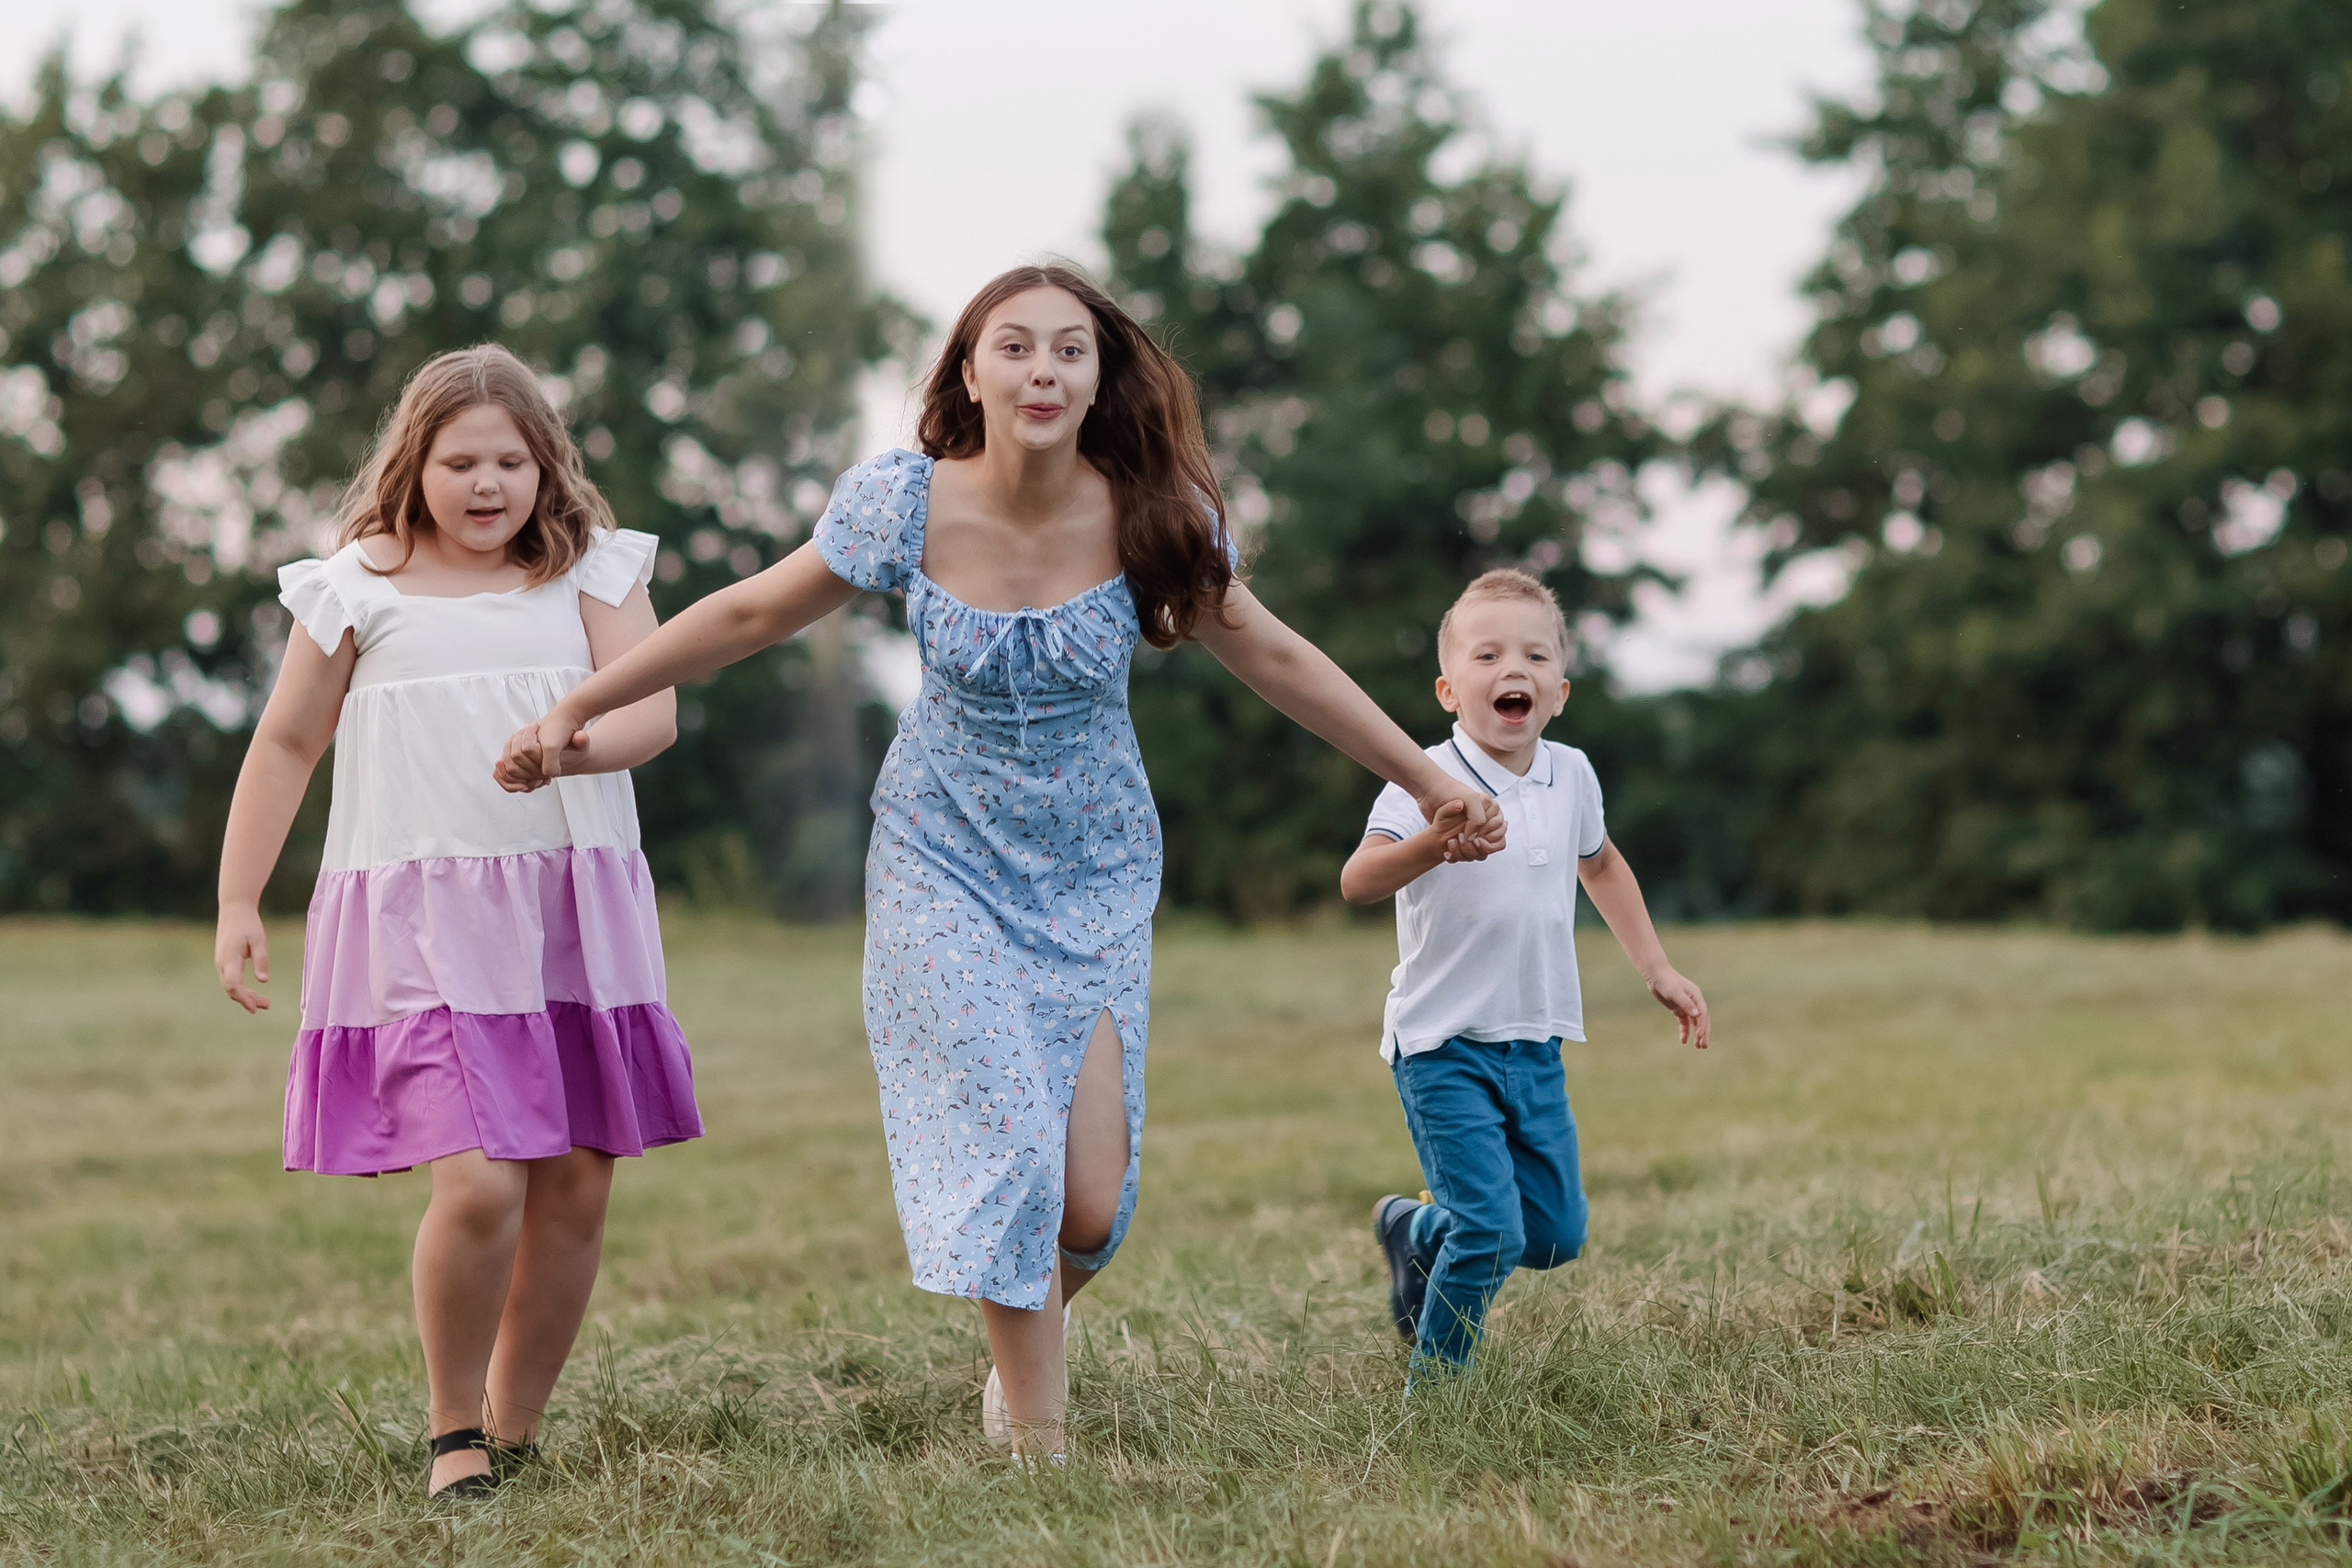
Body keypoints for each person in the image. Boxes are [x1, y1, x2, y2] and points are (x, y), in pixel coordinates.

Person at [494, 263, 1506, 1460]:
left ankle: (1014, 1340)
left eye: (1068, 350)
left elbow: (1278, 658)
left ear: (1098, 379)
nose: (1042, 369)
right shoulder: (904, 504)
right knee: (1008, 1146)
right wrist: (578, 705)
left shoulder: (1153, 513)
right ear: (969, 372)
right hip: (940, 854)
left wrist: (1435, 779)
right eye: (1014, 346)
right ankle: (1040, 1440)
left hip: (1090, 868)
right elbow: (747, 615)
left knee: (1088, 1205)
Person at [213, 345, 701, 1500]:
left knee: (578, 1181)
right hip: (425, 920)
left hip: (567, 913)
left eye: (511, 462)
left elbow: (656, 714)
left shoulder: (592, 570)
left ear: (547, 469)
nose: (488, 486)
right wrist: (240, 897)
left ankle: (516, 1431)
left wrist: (570, 738)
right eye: (460, 462)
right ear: (412, 465)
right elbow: (286, 743)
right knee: (482, 1179)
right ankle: (452, 1435)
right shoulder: (356, 586)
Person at [1342, 569, 1708, 1374]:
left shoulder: (1572, 773)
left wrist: (1656, 965)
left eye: (1536, 655)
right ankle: (1436, 1393)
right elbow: (1358, 880)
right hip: (1442, 1046)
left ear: (1561, 689)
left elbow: (1602, 864)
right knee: (1493, 1232)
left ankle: (1416, 1230)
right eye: (1489, 653)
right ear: (1449, 687)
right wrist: (1431, 840)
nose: (1516, 668)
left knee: (1551, 1235)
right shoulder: (1423, 776)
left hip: (1534, 1040)